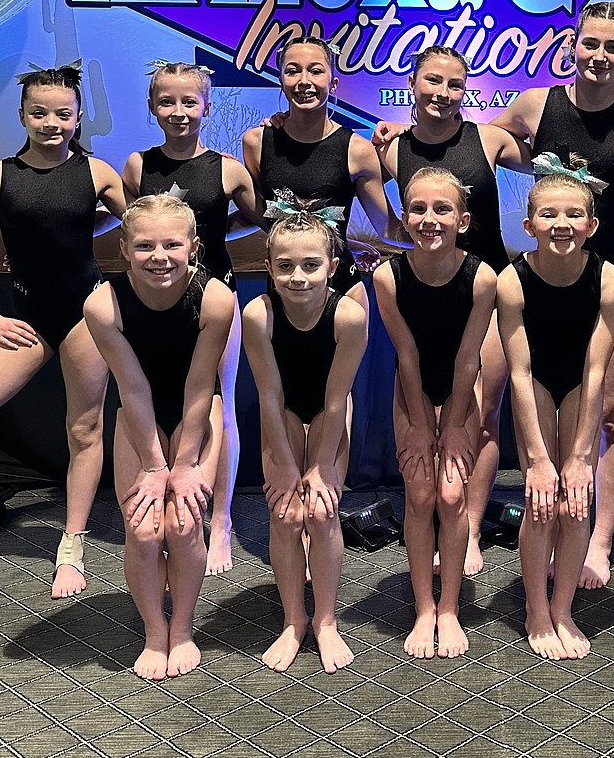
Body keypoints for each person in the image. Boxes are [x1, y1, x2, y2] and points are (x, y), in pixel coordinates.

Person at [0, 64, 126, 610]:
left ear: (79, 117)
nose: (51, 122)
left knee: (83, 429)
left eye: (63, 113)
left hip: (85, 313)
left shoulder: (99, 174)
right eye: (39, 113)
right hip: (27, 321)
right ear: (22, 116)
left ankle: (72, 541)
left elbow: (145, 229)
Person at [492, 1, 614, 590]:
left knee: (613, 412)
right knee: (540, 402)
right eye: (590, 44)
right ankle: (541, 517)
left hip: (612, 275)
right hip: (546, 276)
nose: (600, 57)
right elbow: (477, 141)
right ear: (573, 46)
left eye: (612, 47)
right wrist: (404, 133)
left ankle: (596, 540)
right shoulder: (534, 105)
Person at [375, 44, 530, 575]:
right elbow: (388, 219)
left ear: (467, 91)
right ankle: (434, 513)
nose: (442, 93)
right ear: (412, 85)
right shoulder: (390, 149)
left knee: (480, 416)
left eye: (454, 85)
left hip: (484, 289)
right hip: (423, 291)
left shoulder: (490, 139)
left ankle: (466, 525)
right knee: (427, 412)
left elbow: (559, 165)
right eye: (432, 82)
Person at [84, 195, 234, 679]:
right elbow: (132, 386)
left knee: (186, 524)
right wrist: (153, 465)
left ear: (194, 246)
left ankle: (184, 629)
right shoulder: (103, 305)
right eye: (145, 245)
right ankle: (154, 632)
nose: (160, 256)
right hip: (138, 415)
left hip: (195, 411)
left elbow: (198, 386)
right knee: (145, 529)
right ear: (123, 249)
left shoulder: (214, 298)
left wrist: (185, 464)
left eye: (172, 244)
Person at [122, 60, 262, 577]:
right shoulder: (138, 166)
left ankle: (220, 517)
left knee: (217, 406)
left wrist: (215, 236)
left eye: (189, 102)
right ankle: (164, 495)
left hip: (215, 297)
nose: (178, 112)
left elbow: (257, 218)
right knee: (160, 404)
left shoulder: (227, 169)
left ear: (206, 106)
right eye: (167, 102)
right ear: (152, 107)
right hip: (154, 303)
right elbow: (139, 228)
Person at [496, 159, 614, 659]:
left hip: (579, 383)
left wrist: (578, 457)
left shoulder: (610, 280)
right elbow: (520, 372)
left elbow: (595, 371)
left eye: (574, 215)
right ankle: (534, 609)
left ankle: (563, 608)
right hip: (535, 384)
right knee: (541, 498)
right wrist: (537, 459)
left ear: (592, 225)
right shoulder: (512, 281)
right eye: (549, 215)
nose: (562, 225)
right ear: (530, 226)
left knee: (576, 499)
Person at [374, 167, 498, 658]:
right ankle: (425, 607)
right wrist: (424, 424)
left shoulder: (481, 276)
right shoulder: (388, 276)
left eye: (442, 209)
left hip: (463, 387)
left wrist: (454, 425)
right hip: (414, 388)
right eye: (419, 210)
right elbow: (406, 353)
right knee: (422, 493)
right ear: (404, 219)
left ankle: (450, 609)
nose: (430, 219)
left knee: (452, 496)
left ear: (463, 220)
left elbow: (470, 357)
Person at [242, 203, 369, 673]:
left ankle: (326, 619)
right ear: (269, 269)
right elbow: (270, 397)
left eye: (311, 265)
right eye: (285, 266)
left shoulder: (349, 317)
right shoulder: (259, 314)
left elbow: (336, 402)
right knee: (284, 512)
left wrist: (318, 469)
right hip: (283, 412)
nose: (298, 277)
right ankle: (294, 620)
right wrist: (288, 467)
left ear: (332, 268)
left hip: (329, 410)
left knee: (321, 510)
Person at [242, 35, 407, 312]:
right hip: (282, 287)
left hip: (343, 290)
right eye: (292, 71)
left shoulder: (357, 150)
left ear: (333, 84)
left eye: (315, 70)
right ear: (281, 81)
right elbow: (266, 217)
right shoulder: (256, 142)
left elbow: (389, 229)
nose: (304, 80)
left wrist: (445, 239)